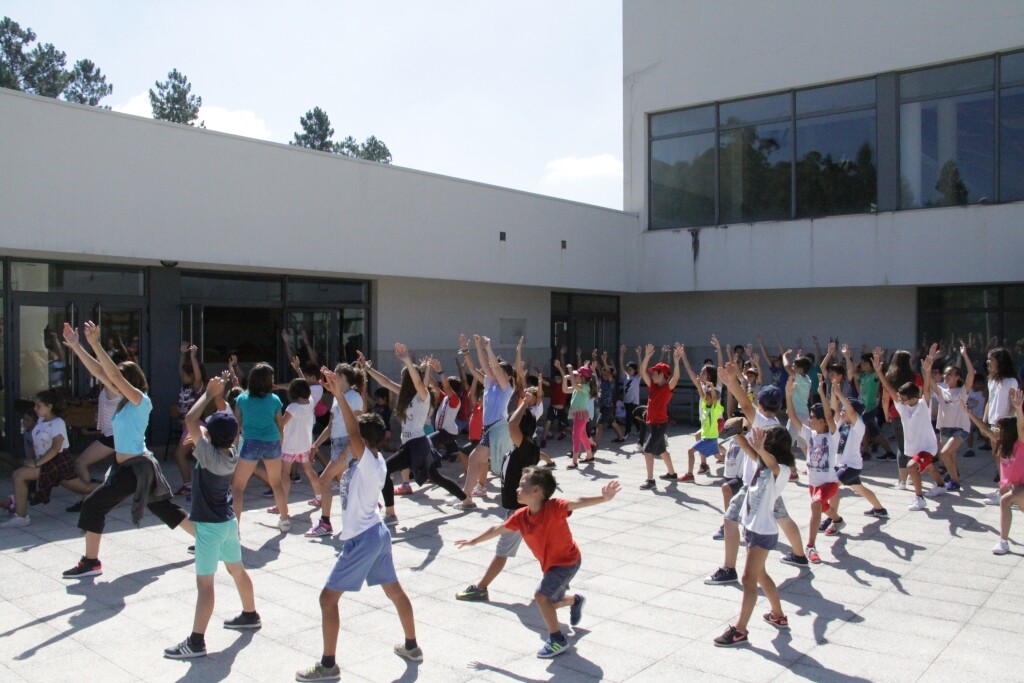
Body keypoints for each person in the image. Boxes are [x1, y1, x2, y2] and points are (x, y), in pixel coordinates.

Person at [296, 367, 422, 682]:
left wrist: (338, 394)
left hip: (363, 539)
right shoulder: (368, 462)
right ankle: (412, 646)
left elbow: (353, 434)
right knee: (394, 591)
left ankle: (328, 666)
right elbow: (330, 475)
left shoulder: (367, 460)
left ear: (363, 443)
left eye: (356, 440)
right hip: (376, 533)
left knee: (327, 598)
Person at [63, 321, 193, 578]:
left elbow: (112, 375)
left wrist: (96, 343)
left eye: (119, 379)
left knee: (93, 506)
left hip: (137, 468)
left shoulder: (140, 400)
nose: (111, 383)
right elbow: (102, 373)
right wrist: (77, 347)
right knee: (165, 509)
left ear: (129, 381)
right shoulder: (123, 402)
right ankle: (209, 541)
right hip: (128, 467)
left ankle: (91, 562)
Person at [456, 468, 621, 658]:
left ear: (537, 490)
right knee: (551, 602)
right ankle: (575, 600)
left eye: (522, 485)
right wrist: (474, 541)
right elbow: (498, 528)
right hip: (550, 565)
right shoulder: (521, 516)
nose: (517, 489)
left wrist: (604, 498)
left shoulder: (554, 507)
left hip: (567, 561)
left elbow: (577, 502)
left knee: (541, 596)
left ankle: (557, 640)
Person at [164, 377, 261, 659]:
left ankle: (196, 642)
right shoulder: (234, 448)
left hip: (209, 528)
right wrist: (220, 400)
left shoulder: (206, 454)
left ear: (208, 436)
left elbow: (191, 417)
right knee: (238, 570)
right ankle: (250, 613)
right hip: (229, 522)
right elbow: (223, 424)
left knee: (205, 585)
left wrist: (207, 394)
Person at [705, 364, 808, 586]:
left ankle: (728, 568)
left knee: (730, 518)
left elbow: (743, 403)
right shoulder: (775, 424)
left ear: (759, 404)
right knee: (782, 516)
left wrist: (731, 381)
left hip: (757, 485)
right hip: (771, 483)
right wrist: (741, 440)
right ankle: (799, 555)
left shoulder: (761, 422)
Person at [366, 344, 470, 522]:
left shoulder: (423, 395)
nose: (400, 379)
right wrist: (368, 369)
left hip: (417, 444)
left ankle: (390, 514)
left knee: (384, 471)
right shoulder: (406, 395)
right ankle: (467, 500)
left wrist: (407, 360)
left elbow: (418, 382)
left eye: (403, 376)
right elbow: (385, 382)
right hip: (414, 444)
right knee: (436, 477)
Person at [713, 426, 795, 647]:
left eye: (765, 439)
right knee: (760, 575)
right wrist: (740, 435)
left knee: (748, 579)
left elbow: (773, 465)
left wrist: (759, 449)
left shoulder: (783, 470)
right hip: (752, 528)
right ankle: (778, 615)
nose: (761, 442)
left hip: (764, 531)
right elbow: (751, 451)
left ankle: (740, 630)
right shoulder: (762, 463)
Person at [455, 396, 541, 602]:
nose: (509, 428)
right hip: (522, 510)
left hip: (520, 512)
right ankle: (557, 583)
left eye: (514, 426)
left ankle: (481, 588)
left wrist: (526, 402)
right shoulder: (520, 448)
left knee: (502, 551)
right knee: (543, 549)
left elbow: (511, 423)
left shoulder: (527, 449)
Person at [3, 389, 93, 527]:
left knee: (84, 488)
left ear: (50, 406)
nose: (35, 408)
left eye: (38, 405)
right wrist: (31, 459)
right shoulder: (40, 420)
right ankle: (19, 513)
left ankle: (21, 517)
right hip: (46, 461)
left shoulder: (58, 423)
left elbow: (56, 448)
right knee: (83, 488)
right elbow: (35, 442)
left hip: (58, 462)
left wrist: (37, 463)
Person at [61, 327, 124, 512]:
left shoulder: (116, 387)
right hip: (112, 435)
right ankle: (96, 496)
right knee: (124, 473)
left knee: (80, 463)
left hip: (115, 437)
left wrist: (78, 346)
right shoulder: (115, 388)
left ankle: (88, 499)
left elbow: (98, 370)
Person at [873, 348, 939, 511]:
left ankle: (919, 498)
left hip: (927, 447)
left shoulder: (924, 405)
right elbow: (889, 389)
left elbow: (926, 390)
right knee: (929, 467)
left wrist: (927, 371)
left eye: (903, 398)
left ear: (914, 397)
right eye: (899, 398)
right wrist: (879, 371)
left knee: (911, 467)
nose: (899, 400)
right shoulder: (902, 407)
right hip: (915, 448)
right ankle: (942, 485)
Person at [786, 375, 841, 564]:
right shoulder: (810, 434)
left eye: (812, 418)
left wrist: (821, 393)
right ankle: (838, 520)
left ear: (823, 421)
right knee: (823, 507)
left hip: (829, 482)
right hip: (813, 483)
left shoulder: (832, 435)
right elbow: (792, 417)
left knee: (816, 505)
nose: (809, 420)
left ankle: (810, 546)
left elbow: (828, 416)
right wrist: (788, 395)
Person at [963, 389, 1024, 554]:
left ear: (1008, 431)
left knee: (1005, 501)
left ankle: (1003, 542)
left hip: (1022, 486)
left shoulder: (1020, 442)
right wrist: (968, 412)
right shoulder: (1001, 441)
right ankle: (1004, 542)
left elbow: (1021, 426)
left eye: (998, 428)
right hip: (1016, 486)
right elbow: (983, 429)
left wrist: (1018, 408)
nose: (995, 430)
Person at [232, 363, 288, 529]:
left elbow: (236, 426)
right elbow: (280, 426)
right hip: (272, 442)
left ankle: (235, 527)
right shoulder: (275, 399)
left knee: (237, 486)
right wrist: (281, 445)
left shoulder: (241, 399)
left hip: (251, 443)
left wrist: (234, 448)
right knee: (276, 482)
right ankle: (285, 520)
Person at [460, 334, 515, 499]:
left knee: (478, 459)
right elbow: (477, 367)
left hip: (498, 429)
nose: (496, 374)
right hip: (489, 430)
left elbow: (495, 368)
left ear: (509, 377)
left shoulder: (507, 389)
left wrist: (488, 347)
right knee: (479, 460)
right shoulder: (490, 384)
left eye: (501, 373)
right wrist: (472, 348)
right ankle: (469, 494)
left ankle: (467, 496)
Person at [827, 384, 888, 522]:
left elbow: (852, 413)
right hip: (840, 465)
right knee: (860, 488)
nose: (842, 412)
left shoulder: (859, 426)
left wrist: (840, 395)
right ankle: (880, 509)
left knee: (832, 487)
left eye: (845, 409)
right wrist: (833, 393)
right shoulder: (842, 422)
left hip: (851, 466)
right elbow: (834, 409)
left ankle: (832, 520)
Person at [926, 342, 975, 492]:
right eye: (945, 374)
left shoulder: (962, 391)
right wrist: (930, 359)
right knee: (951, 457)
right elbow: (927, 378)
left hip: (960, 429)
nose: (946, 376)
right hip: (945, 428)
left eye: (949, 374)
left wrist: (964, 355)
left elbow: (971, 374)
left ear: (957, 377)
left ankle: (955, 480)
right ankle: (954, 476)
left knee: (944, 454)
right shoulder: (941, 391)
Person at [270, 378, 321, 515]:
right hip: (304, 445)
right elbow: (302, 385)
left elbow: (281, 424)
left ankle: (281, 505)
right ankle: (319, 497)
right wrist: (297, 371)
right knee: (310, 472)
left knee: (284, 475)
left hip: (289, 446)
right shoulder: (310, 402)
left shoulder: (293, 408)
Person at [638, 343, 681, 489]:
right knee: (662, 450)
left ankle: (650, 480)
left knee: (647, 450)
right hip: (653, 423)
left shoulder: (667, 388)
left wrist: (676, 361)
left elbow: (675, 377)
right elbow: (642, 372)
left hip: (659, 425)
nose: (652, 375)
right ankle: (672, 474)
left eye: (655, 373)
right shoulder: (653, 386)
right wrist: (647, 356)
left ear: (662, 375)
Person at [679, 345, 723, 481]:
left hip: (716, 422)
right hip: (707, 423)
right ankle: (716, 459)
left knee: (703, 438)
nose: (700, 373)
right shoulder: (702, 388)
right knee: (708, 443)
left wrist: (720, 350)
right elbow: (690, 371)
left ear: (709, 374)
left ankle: (704, 464)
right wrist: (683, 356)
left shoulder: (716, 387)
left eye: (703, 372)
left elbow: (720, 368)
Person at [984, 347, 1019, 499]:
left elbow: (1013, 404)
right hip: (993, 424)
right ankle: (1004, 487)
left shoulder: (1011, 381)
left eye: (991, 359)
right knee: (996, 455)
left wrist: (1006, 423)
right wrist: (984, 421)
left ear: (1000, 361)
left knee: (1003, 456)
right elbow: (989, 401)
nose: (988, 362)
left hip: (1006, 426)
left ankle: (1005, 489)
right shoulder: (991, 380)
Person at [172, 342, 206, 497]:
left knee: (180, 455)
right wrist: (182, 354)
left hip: (195, 426)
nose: (182, 376)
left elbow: (197, 375)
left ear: (192, 376)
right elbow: (180, 369)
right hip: (188, 426)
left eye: (186, 375)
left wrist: (193, 357)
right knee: (199, 457)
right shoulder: (185, 386)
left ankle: (188, 485)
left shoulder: (196, 387)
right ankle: (197, 485)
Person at [562, 363, 595, 469]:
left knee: (575, 436)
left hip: (581, 415)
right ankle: (589, 456)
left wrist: (570, 371)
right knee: (582, 436)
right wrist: (564, 379)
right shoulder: (578, 387)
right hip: (578, 415)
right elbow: (565, 390)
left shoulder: (585, 387)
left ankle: (574, 461)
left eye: (576, 375)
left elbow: (575, 386)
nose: (574, 376)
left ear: (582, 377)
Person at [619, 345, 642, 439]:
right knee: (633, 417)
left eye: (630, 369)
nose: (628, 371)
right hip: (626, 401)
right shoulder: (625, 377)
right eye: (627, 369)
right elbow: (621, 365)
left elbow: (641, 368)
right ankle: (639, 428)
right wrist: (622, 354)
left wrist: (639, 355)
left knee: (628, 417)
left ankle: (626, 432)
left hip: (634, 402)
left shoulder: (637, 378)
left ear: (634, 370)